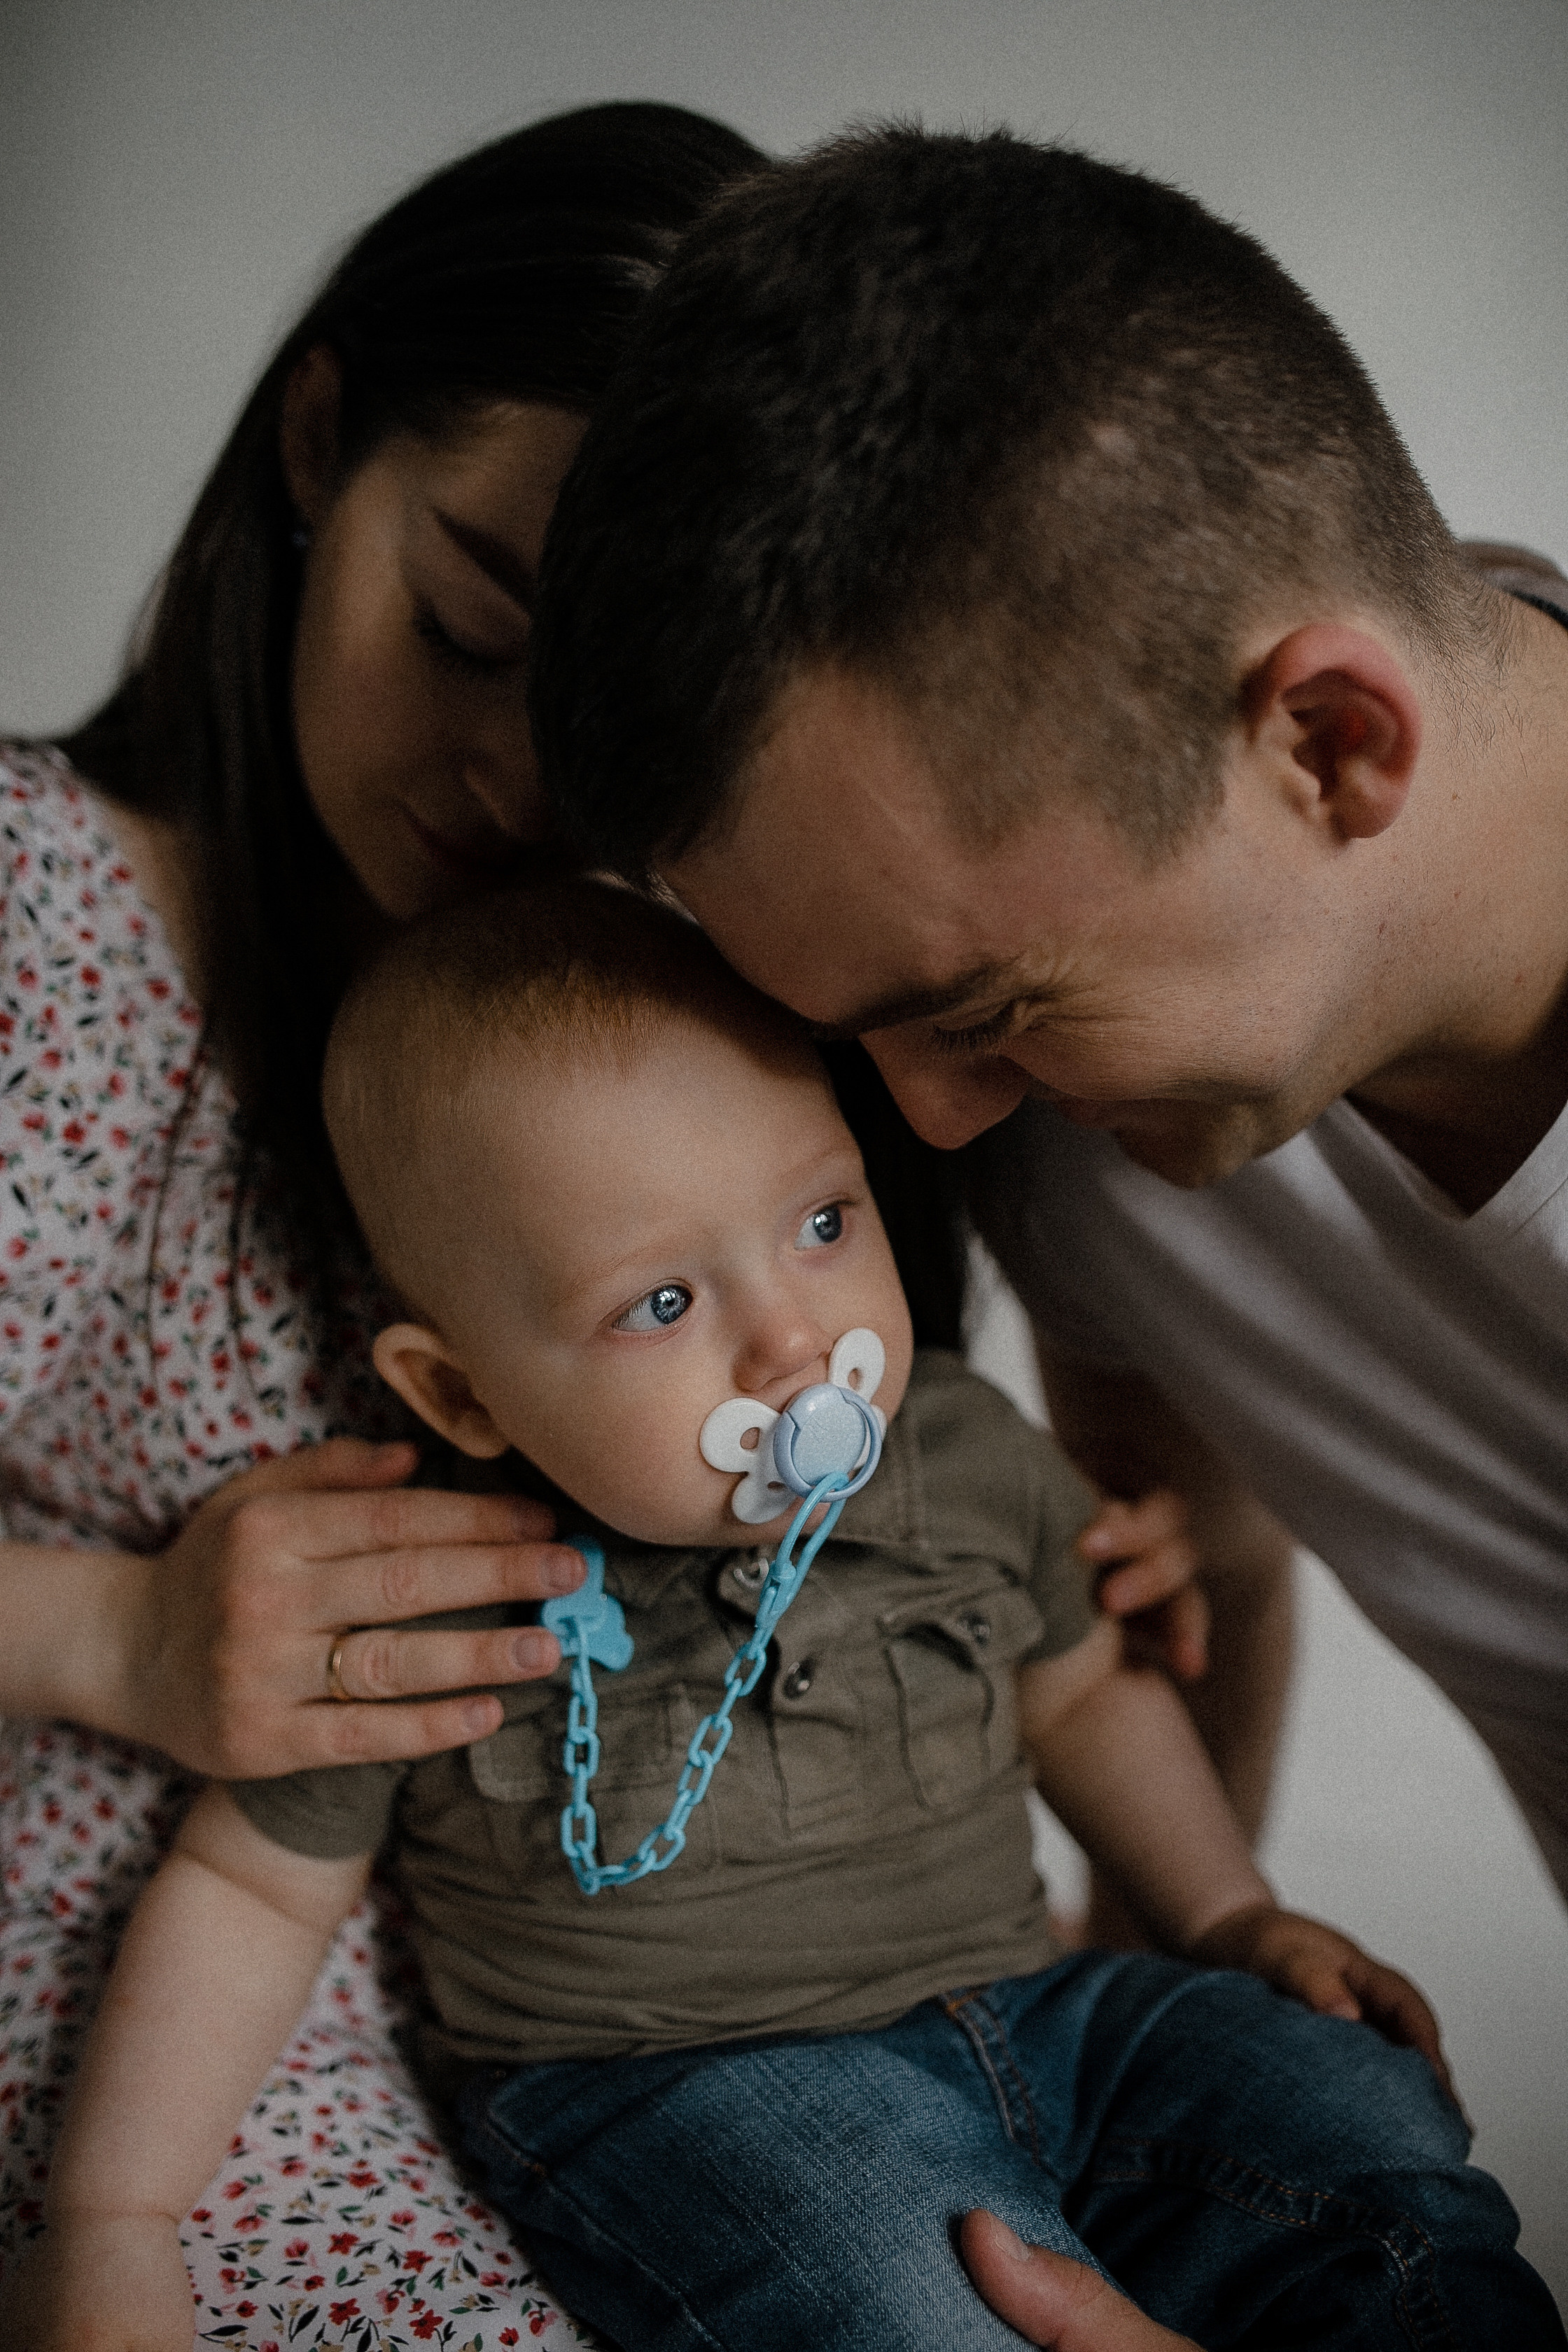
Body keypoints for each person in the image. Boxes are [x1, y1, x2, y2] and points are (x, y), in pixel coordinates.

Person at [6, 873, 1558, 2352]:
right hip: (682, 2087)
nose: (792, 1343)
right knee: (900, 2294)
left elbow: (1080, 1696)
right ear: (463, 1392)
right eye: (664, 1305)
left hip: (1042, 2007)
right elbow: (252, 1896)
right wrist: (114, 2218)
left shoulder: (958, 1455)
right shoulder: (432, 1579)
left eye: (821, 1224)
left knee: (1354, 2128)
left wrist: (1229, 1916)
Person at [531, 126, 1568, 1924]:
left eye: (989, 1013)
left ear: (1331, 745)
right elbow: (1191, 1556)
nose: (932, 1125)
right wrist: (1179, 2022)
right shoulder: (1092, 1103)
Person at [0, 98, 776, 2330]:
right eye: (469, 622)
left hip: (574, 2041)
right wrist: (118, 1641)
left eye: (615, 722)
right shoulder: (60, 918)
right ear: (319, 439)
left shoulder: (635, 1021)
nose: (523, 779)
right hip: (145, 2019)